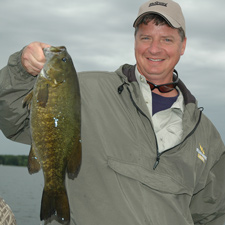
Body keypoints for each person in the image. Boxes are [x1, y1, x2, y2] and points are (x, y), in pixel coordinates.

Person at [0, 0, 225, 224]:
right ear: (135, 41)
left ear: (183, 45)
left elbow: (214, 213)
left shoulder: (206, 134)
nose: (154, 48)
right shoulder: (82, 89)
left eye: (167, 39)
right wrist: (21, 69)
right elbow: (14, 120)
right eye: (146, 37)